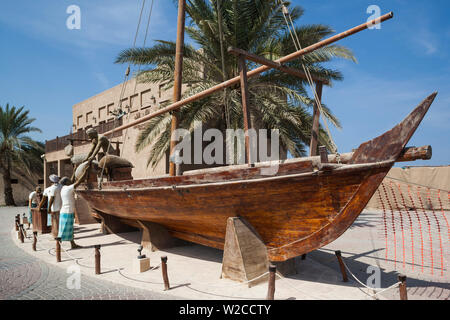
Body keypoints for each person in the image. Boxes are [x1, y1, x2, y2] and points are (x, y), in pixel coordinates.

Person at [58, 176, 83, 249]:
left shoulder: (64, 188)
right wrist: (85, 172)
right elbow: (78, 182)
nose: (71, 181)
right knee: (63, 230)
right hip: (67, 211)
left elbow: (71, 181)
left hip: (67, 211)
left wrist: (75, 171)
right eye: (69, 181)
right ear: (66, 182)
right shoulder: (68, 188)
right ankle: (58, 246)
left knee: (69, 229)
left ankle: (73, 244)